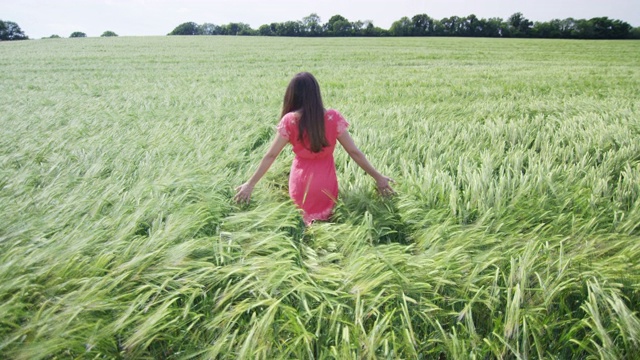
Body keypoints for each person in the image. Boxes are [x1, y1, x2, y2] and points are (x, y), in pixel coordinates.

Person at [235, 72, 393, 225]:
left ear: (292, 94)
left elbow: (271, 155)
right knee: (330, 225)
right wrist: (378, 177)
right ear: (316, 93)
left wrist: (250, 184)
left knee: (301, 224)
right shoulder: (333, 117)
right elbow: (354, 152)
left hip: (301, 184)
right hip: (326, 185)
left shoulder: (290, 120)